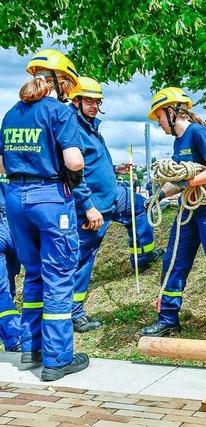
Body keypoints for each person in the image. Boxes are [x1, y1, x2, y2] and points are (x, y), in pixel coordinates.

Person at [0, 49, 89, 381]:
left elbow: (2, 165)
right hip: (49, 198)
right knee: (59, 275)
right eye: (68, 83)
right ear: (60, 81)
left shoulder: (11, 114)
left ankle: (31, 348)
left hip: (14, 198)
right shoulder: (59, 113)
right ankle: (57, 359)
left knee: (33, 273)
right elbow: (75, 162)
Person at [141, 87, 206, 342]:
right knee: (174, 262)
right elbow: (182, 177)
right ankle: (168, 320)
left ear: (172, 111)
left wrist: (188, 185)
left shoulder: (199, 133)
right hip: (189, 208)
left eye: (159, 117)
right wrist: (160, 196)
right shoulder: (178, 142)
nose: (159, 123)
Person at [69, 77, 163, 334]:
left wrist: (115, 169)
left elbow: (93, 167)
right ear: (75, 101)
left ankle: (142, 256)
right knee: (83, 258)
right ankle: (74, 313)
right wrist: (88, 207)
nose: (95, 106)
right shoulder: (71, 128)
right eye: (89, 101)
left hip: (114, 195)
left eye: (98, 102)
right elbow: (74, 174)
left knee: (141, 206)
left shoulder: (90, 126)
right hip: (94, 206)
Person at [0, 175, 21, 353]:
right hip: (10, 225)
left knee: (8, 285)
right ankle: (14, 337)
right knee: (2, 290)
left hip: (12, 225)